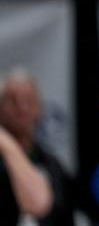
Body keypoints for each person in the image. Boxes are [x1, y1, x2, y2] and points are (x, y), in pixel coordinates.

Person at [0, 70, 73, 225]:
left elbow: (44, 205)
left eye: (29, 100)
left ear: (39, 108)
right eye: (13, 101)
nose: (22, 108)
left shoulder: (52, 163)